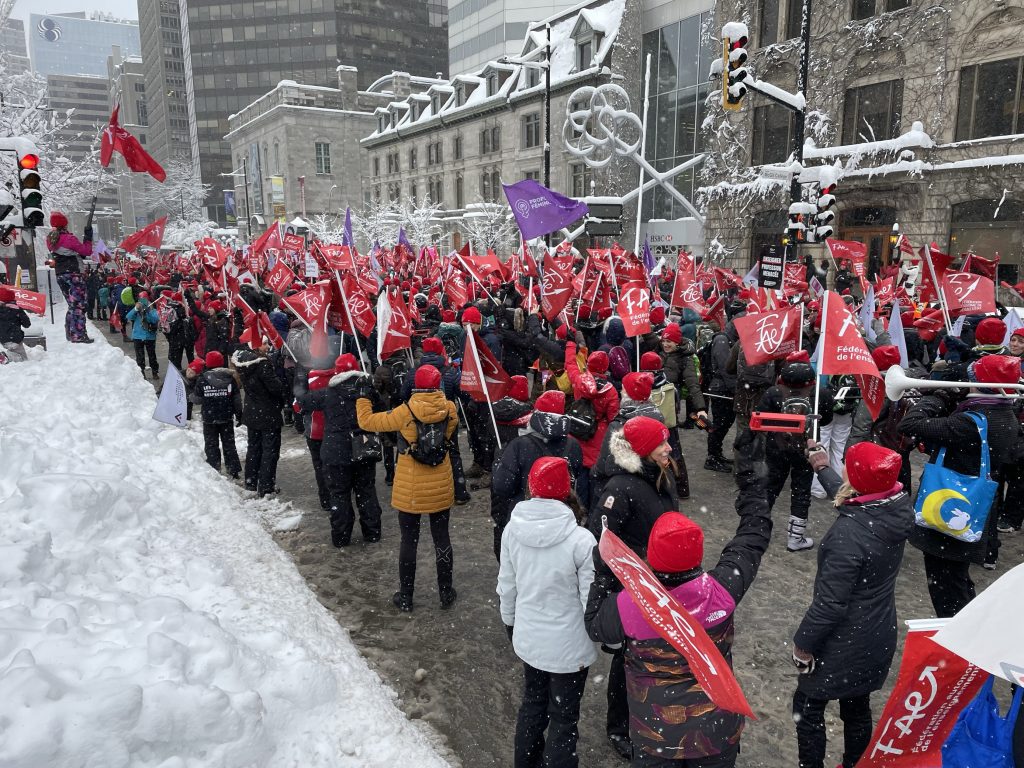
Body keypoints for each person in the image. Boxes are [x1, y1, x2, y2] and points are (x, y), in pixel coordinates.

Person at [585, 435, 773, 767]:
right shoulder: (722, 589)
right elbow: (752, 537)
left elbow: (596, 627)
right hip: (716, 731)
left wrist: (605, 567)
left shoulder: (629, 605)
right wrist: (753, 484)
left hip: (655, 735)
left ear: (650, 556)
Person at [792, 441, 914, 768]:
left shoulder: (848, 536)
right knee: (857, 707)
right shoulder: (896, 505)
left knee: (807, 705)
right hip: (876, 633)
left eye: (846, 463)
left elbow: (830, 606)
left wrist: (802, 646)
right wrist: (821, 467)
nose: (842, 466)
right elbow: (856, 498)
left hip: (842, 639)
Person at [897, 355, 1024, 615]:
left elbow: (909, 424)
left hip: (951, 505)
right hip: (971, 508)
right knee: (957, 580)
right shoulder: (1004, 414)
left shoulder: (970, 421)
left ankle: (953, 641)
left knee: (946, 586)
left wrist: (938, 397)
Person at [497, 457, 597, 768]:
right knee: (564, 717)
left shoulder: (512, 530)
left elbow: (507, 585)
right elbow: (588, 600)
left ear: (532, 488)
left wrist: (510, 622)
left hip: (530, 640)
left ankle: (525, 763)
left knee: (532, 704)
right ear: (567, 490)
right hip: (570, 649)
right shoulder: (581, 540)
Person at [590, 415, 678, 762]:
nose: (670, 448)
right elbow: (603, 540)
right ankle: (618, 726)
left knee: (648, 656)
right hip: (634, 585)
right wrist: (635, 570)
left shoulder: (657, 472)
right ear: (642, 450)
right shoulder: (620, 488)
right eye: (662, 443)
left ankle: (645, 713)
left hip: (658, 579)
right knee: (627, 659)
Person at [356, 364, 459, 611]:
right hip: (440, 484)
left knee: (408, 542)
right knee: (442, 538)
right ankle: (445, 592)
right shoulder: (451, 410)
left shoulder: (405, 412)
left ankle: (406, 596)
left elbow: (367, 422)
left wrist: (363, 397)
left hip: (410, 487)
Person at [295, 353, 383, 547]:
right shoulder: (366, 390)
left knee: (339, 494)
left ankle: (341, 536)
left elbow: (303, 401)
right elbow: (381, 408)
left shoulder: (328, 393)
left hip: (336, 450)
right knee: (366, 491)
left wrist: (301, 376)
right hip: (363, 446)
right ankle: (372, 531)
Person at [490, 390, 584, 562]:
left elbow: (502, 486)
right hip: (562, 518)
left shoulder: (518, 446)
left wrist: (499, 464)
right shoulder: (573, 445)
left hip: (525, 519)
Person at [758, 351, 834, 552]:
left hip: (777, 447)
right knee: (801, 491)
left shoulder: (773, 392)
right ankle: (795, 537)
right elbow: (826, 420)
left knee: (770, 488)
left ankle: (757, 532)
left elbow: (761, 418)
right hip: (806, 449)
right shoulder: (820, 394)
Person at [564, 340, 620, 509]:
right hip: (599, 435)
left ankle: (581, 507)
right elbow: (613, 418)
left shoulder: (579, 380)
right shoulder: (610, 390)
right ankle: (594, 509)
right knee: (595, 474)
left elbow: (570, 364)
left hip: (578, 430)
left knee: (580, 472)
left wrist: (570, 345)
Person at [232, 344, 285, 498]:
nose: (267, 347)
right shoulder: (262, 365)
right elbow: (276, 388)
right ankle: (266, 486)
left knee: (254, 449)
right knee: (270, 450)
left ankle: (251, 482)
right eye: (264, 344)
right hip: (268, 413)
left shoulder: (242, 363)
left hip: (252, 412)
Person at [46, 211, 94, 343]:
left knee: (72, 305)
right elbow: (86, 251)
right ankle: (78, 335)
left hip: (60, 274)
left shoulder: (50, 239)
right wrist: (88, 238)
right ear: (65, 224)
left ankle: (70, 332)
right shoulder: (68, 238)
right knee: (79, 305)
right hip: (73, 274)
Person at [193, 350, 242, 479]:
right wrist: (239, 414)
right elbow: (236, 398)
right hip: (225, 416)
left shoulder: (203, 379)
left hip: (209, 418)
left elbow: (197, 399)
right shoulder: (229, 378)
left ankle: (214, 469)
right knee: (229, 443)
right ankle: (233, 469)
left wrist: (191, 396)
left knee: (211, 444)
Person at [126, 292, 160, 379]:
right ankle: (141, 373)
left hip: (149, 336)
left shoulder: (152, 309)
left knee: (152, 355)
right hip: (138, 336)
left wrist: (147, 312)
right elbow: (128, 317)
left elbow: (154, 319)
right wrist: (136, 309)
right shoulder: (137, 311)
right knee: (140, 357)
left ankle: (155, 372)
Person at [0, 285, 31, 362]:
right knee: (23, 359)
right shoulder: (17, 309)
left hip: (2, 339)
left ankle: (6, 357)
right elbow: (27, 324)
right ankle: (7, 356)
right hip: (15, 338)